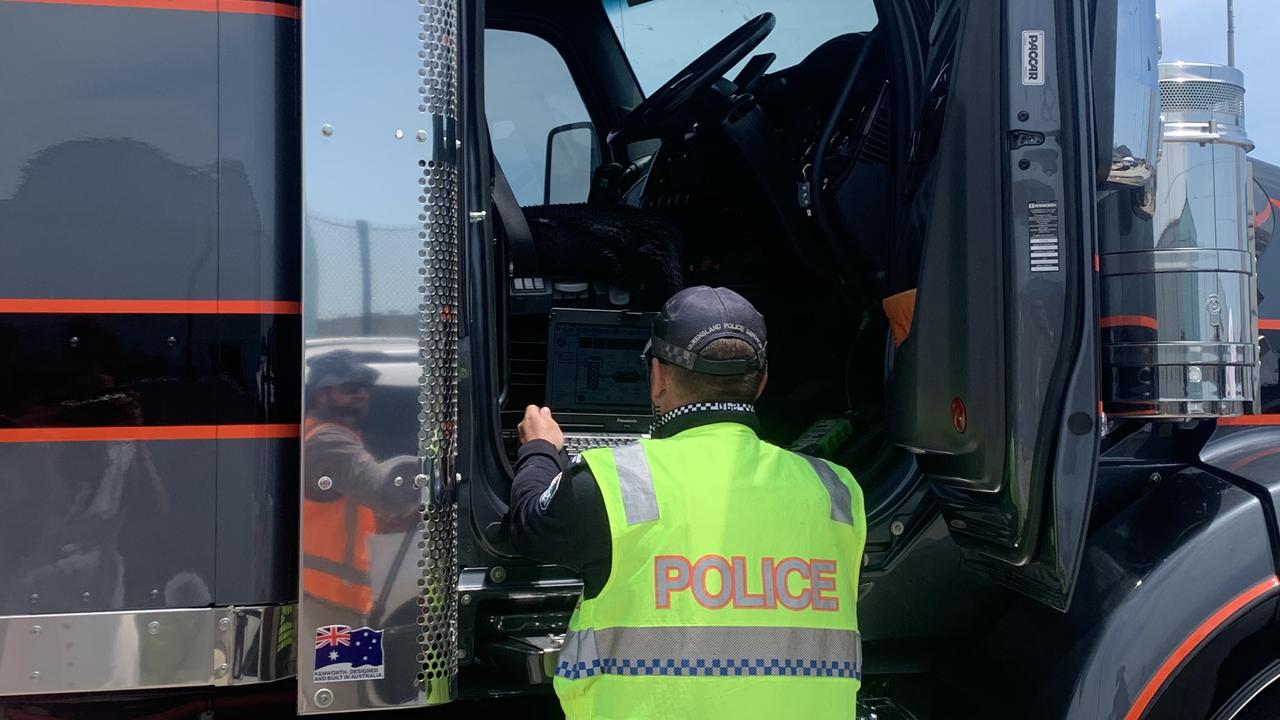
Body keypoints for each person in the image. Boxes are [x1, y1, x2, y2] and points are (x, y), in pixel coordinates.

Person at [507, 286, 867, 719]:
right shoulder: (838, 491)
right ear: (763, 381)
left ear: (657, 377)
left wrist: (540, 450)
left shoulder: (612, 483)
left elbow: (528, 526)